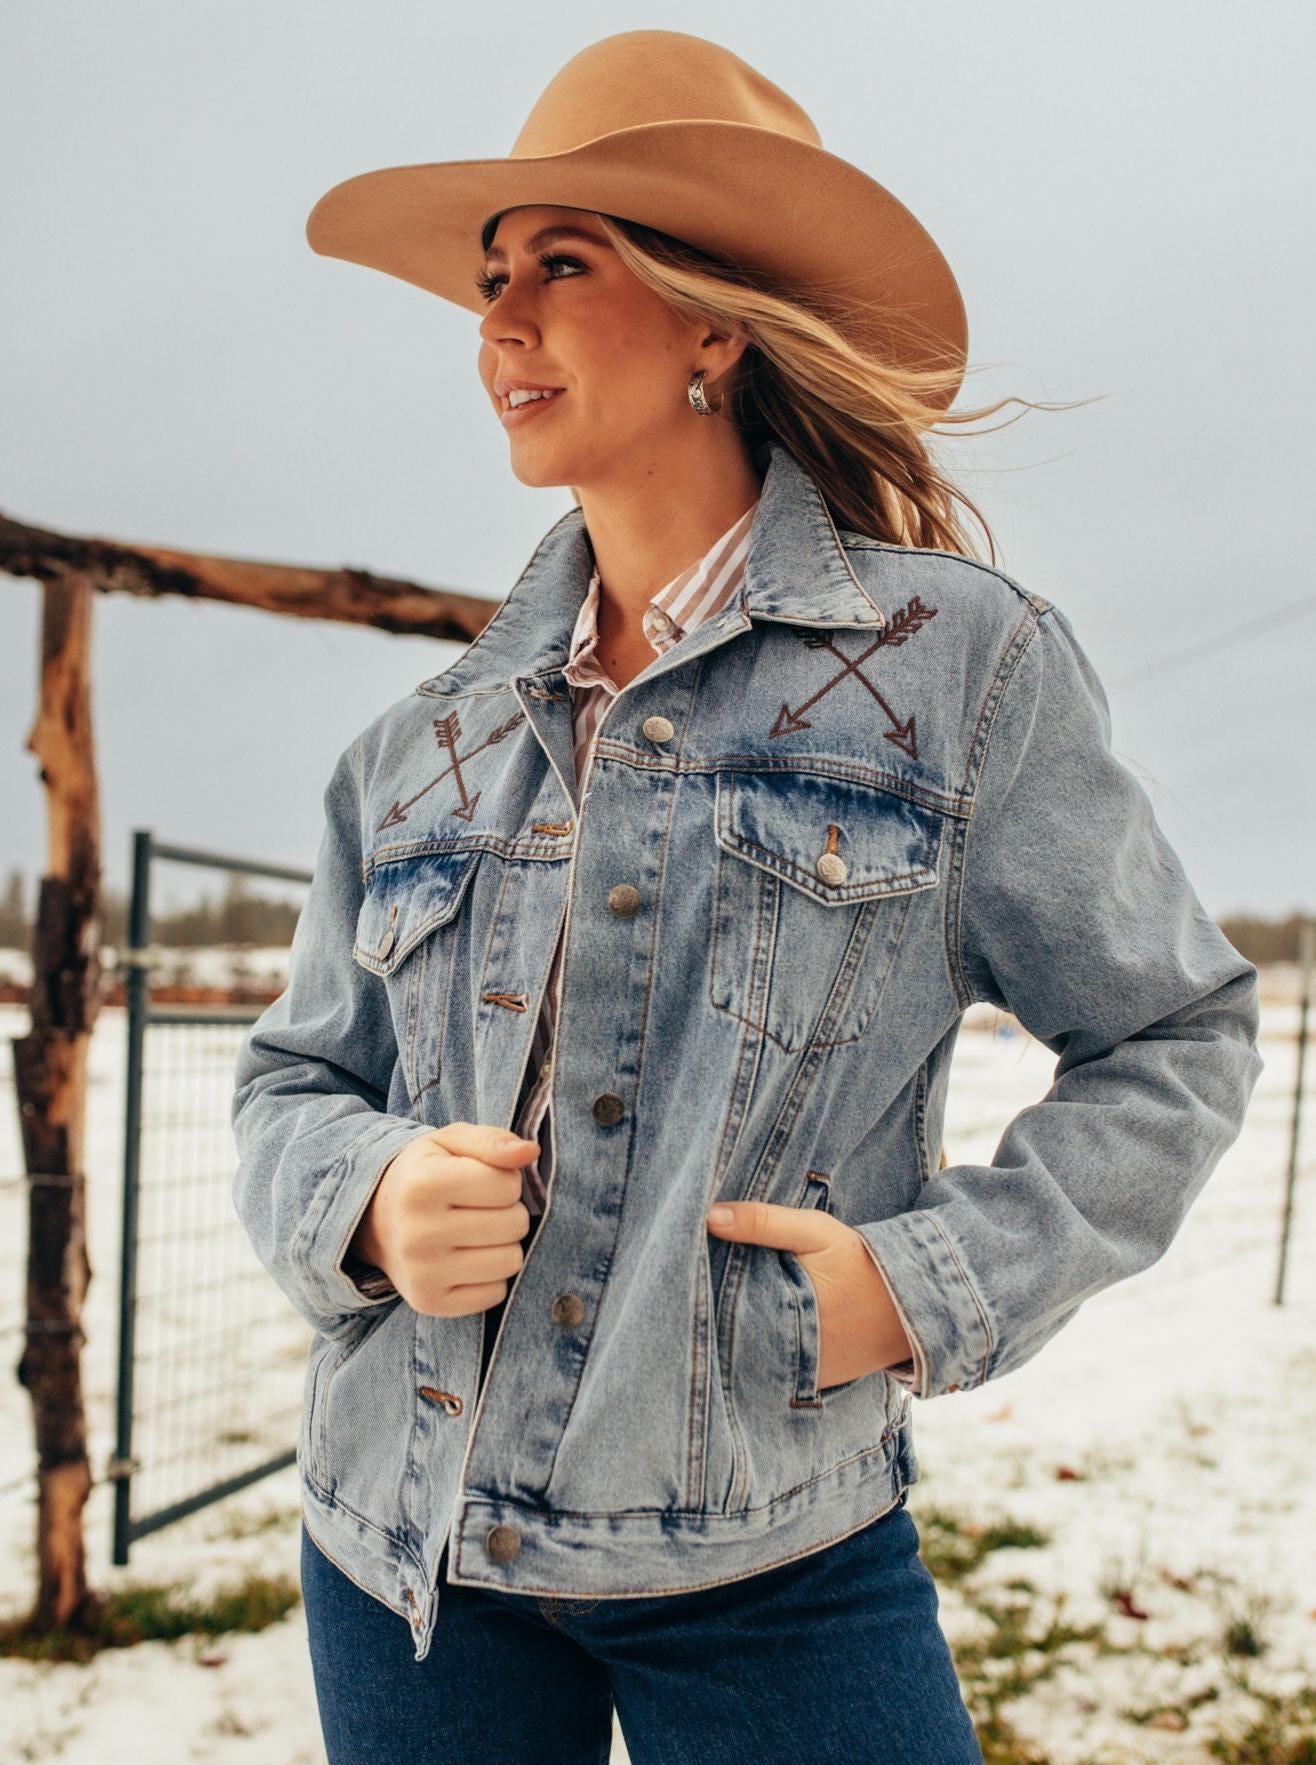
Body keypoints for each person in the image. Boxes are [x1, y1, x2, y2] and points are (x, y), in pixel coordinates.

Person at [231, 29, 1263, 1764]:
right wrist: (367, 1194)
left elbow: (1179, 1036)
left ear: (715, 319)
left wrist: (928, 1283)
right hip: (404, 1548)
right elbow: (284, 1086)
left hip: (776, 1554)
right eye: (494, 277)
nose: (501, 324)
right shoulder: (418, 741)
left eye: (565, 263)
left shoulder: (961, 673)